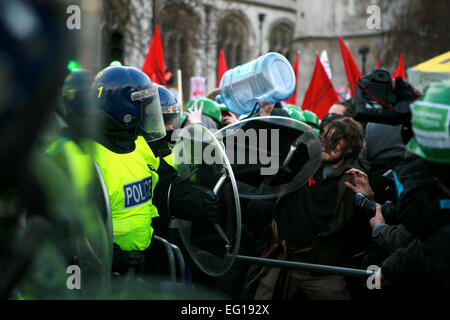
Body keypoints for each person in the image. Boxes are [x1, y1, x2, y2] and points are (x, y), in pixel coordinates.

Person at [91, 65, 224, 275]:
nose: (149, 114)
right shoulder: (90, 156)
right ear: (126, 110)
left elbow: (169, 186)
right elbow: (77, 225)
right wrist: (110, 256)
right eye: (145, 107)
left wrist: (201, 203)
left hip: (145, 261)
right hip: (105, 273)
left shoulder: (141, 146)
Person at [253, 117, 368, 300]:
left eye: (336, 141)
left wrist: (366, 199)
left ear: (350, 148)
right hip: (284, 258)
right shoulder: (303, 164)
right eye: (326, 138)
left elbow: (361, 230)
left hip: (322, 269)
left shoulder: (354, 181)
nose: (328, 144)